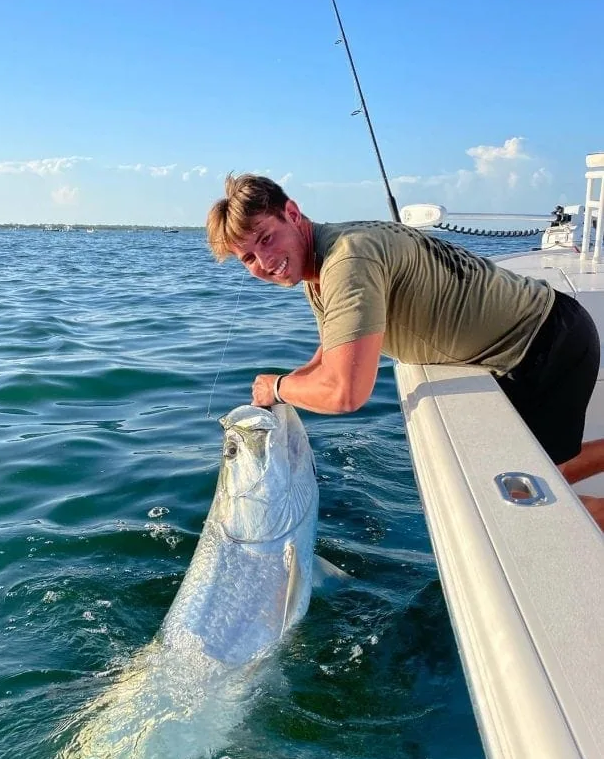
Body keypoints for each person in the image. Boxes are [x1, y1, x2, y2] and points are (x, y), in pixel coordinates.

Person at [206, 173, 604, 528]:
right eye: (248, 258)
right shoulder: (322, 261)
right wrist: (284, 387)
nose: (265, 261)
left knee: (531, 507)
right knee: (542, 479)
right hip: (539, 336)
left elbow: (347, 393)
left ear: (291, 213)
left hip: (545, 346)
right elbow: (330, 350)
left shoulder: (347, 262)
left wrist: (277, 389)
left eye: (266, 238)